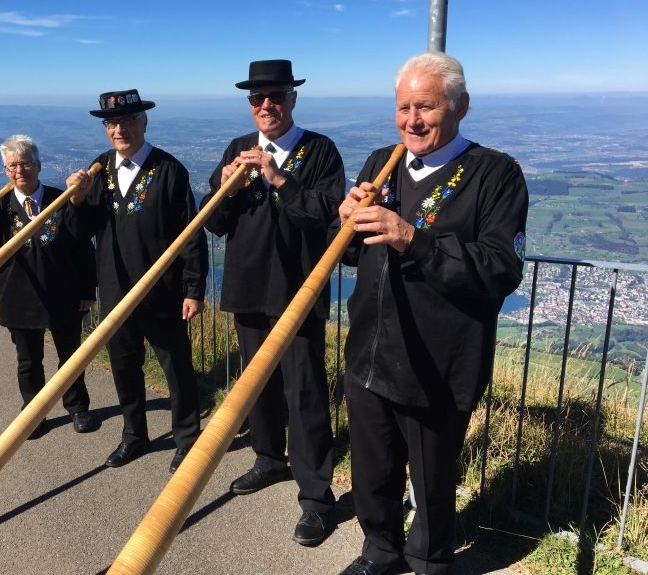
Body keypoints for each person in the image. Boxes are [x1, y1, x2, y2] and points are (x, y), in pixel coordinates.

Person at [336, 52, 529, 575]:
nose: (412, 121)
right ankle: (379, 550)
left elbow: (499, 269)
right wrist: (347, 223)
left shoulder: (497, 174)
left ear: (460, 106)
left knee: (433, 479)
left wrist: (413, 239)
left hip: (438, 363)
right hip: (371, 353)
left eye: (426, 106)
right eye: (403, 107)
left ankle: (429, 559)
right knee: (372, 469)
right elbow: (354, 252)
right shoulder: (382, 161)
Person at [200, 59, 345, 546]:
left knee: (305, 395)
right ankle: (268, 458)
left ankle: (316, 499)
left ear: (293, 99)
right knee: (257, 386)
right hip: (247, 289)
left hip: (298, 293)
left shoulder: (319, 151)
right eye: (257, 99)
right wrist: (223, 191)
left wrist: (280, 179)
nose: (267, 106)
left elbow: (326, 220)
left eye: (276, 96)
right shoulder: (237, 149)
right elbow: (214, 224)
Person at [65, 89, 207, 474]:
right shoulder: (98, 169)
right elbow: (80, 231)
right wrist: (76, 201)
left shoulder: (170, 170)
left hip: (162, 291)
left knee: (176, 368)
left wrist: (193, 288)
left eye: (127, 121)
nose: (119, 129)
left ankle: (187, 438)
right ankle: (134, 435)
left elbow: (192, 233)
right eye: (111, 123)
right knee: (125, 367)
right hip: (114, 290)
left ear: (144, 122)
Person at [0, 135, 99, 439]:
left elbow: (82, 246)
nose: (19, 170)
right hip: (20, 298)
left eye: (25, 163)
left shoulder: (59, 199)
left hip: (63, 295)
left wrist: (87, 292)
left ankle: (78, 408)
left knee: (70, 357)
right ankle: (34, 413)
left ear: (38, 166)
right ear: (5, 171)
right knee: (28, 361)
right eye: (12, 165)